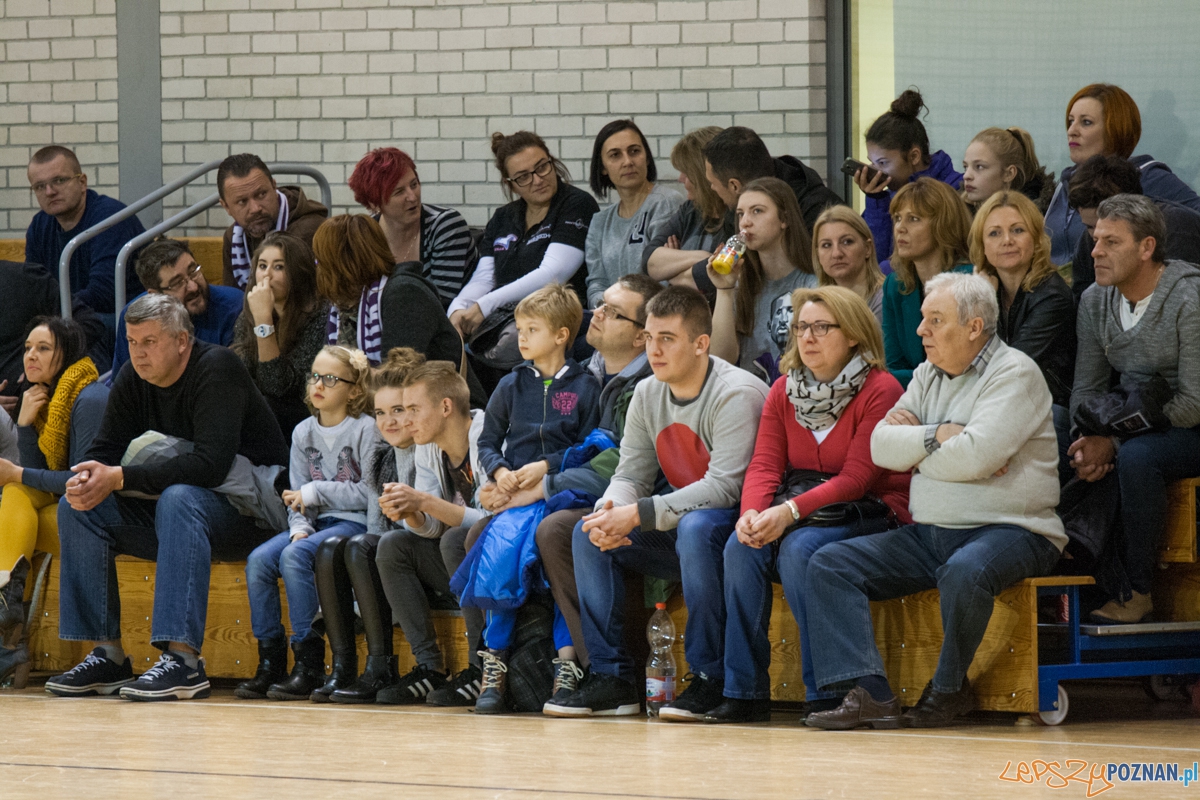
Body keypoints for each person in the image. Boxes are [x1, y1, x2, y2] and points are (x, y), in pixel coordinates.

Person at [805, 272, 1065, 731]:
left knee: (965, 571)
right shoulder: (927, 375)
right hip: (931, 532)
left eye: (935, 320)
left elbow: (978, 455)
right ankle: (871, 693)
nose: (921, 331)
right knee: (828, 564)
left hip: (1014, 530)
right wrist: (940, 437)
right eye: (923, 320)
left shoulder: (1016, 372)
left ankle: (948, 689)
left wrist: (920, 454)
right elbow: (880, 449)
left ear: (974, 327)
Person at [46, 294, 288, 701]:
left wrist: (119, 476)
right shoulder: (131, 377)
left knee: (179, 497)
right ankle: (107, 655)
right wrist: (87, 478)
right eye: (132, 342)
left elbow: (209, 466)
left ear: (182, 341)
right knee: (79, 506)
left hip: (252, 514)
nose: (138, 354)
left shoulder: (217, 368)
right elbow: (104, 452)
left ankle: (183, 663)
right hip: (182, 519)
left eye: (150, 342)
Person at [543, 286, 768, 720]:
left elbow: (725, 488)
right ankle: (613, 679)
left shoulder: (736, 393)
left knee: (698, 527)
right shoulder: (647, 393)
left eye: (667, 338)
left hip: (739, 528)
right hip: (679, 528)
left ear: (701, 344)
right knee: (589, 531)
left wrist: (640, 513)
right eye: (648, 337)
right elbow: (630, 474)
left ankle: (709, 677)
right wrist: (612, 509)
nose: (654, 349)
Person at [710, 287, 910, 723]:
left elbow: (857, 479)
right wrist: (752, 513)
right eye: (802, 327)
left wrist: (788, 513)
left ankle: (828, 690)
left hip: (874, 509)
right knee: (740, 546)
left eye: (822, 327)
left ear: (854, 334)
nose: (808, 337)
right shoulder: (783, 390)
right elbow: (764, 464)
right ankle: (743, 690)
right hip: (803, 509)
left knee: (804, 549)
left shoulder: (881, 388)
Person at [465, 284, 601, 713]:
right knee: (500, 558)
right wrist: (502, 472)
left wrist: (546, 467)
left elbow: (590, 445)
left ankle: (567, 666)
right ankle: (495, 662)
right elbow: (488, 442)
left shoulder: (585, 385)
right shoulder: (510, 384)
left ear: (562, 335)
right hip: (513, 499)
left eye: (531, 329)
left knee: (556, 557)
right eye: (519, 328)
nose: (520, 337)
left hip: (558, 493)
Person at [1068, 195, 1200, 624]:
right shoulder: (1094, 300)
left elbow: (1193, 404)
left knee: (1140, 457)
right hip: (1135, 417)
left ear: (1146, 247)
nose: (1095, 252)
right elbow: (1086, 389)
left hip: (1189, 423)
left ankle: (1138, 591)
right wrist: (1084, 441)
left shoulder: (1188, 297)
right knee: (1050, 429)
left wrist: (1117, 442)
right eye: (1094, 239)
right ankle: (1066, 571)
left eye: (1111, 242)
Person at [237, 346, 376, 701]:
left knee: (294, 558)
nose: (319, 385)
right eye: (315, 376)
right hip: (315, 523)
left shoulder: (365, 430)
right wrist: (299, 525)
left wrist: (314, 493)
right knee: (259, 561)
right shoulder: (302, 432)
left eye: (331, 379)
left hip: (352, 523)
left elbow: (367, 493)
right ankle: (270, 661)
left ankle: (309, 661)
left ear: (355, 389)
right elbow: (295, 494)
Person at [0, 317, 107, 688]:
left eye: (43, 348)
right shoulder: (44, 400)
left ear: (68, 353)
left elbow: (78, 482)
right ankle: (5, 611)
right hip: (69, 512)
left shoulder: (88, 399)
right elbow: (37, 476)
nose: (30, 356)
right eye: (28, 348)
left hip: (101, 522)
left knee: (15, 492)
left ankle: (6, 620)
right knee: (16, 496)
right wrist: (26, 425)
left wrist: (17, 473)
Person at [380, 360, 491, 706]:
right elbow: (430, 527)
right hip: (457, 559)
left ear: (445, 407)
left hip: (499, 558)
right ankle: (429, 667)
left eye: (414, 409)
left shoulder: (487, 434)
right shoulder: (428, 445)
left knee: (456, 538)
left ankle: (480, 667)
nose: (406, 419)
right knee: (394, 545)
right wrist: (411, 513)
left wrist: (424, 500)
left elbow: (492, 520)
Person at [447, 131, 600, 355]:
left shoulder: (577, 204)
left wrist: (485, 306)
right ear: (511, 185)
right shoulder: (503, 217)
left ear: (552, 161)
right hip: (506, 321)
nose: (537, 180)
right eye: (523, 177)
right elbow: (485, 277)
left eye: (542, 167)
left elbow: (552, 274)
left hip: (559, 325)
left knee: (505, 347)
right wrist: (458, 308)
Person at [313, 215, 486, 407]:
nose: (318, 269)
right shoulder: (342, 305)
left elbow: (395, 379)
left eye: (321, 261)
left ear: (342, 263)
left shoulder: (404, 294)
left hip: (446, 413)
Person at [1044, 84, 1200, 268]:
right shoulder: (1065, 184)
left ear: (1115, 129)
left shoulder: (1148, 176)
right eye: (1071, 121)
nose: (1072, 130)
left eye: (1086, 122)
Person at [969, 191, 1075, 408]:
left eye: (1018, 230)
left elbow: (1011, 369)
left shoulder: (1053, 297)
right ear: (982, 245)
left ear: (1036, 240)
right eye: (994, 233)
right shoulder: (987, 287)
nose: (1007, 241)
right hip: (1000, 401)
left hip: (1048, 406)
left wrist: (985, 304)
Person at [707, 177, 816, 382]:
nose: (745, 222)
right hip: (753, 399)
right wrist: (724, 289)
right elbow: (720, 359)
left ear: (784, 219)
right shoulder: (743, 284)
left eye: (757, 211)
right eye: (740, 214)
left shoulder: (813, 283)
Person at [230, 233, 331, 441]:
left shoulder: (320, 315)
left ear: (298, 272)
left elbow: (277, 386)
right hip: (263, 415)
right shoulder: (250, 311)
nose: (267, 276)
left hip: (303, 417)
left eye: (278, 267)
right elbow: (242, 373)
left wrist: (264, 320)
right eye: (262, 266)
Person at [24, 145, 145, 318]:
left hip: (123, 319)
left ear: (82, 182)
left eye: (59, 180)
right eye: (40, 186)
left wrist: (52, 309)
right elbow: (32, 286)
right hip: (73, 315)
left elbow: (104, 295)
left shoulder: (110, 218)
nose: (49, 192)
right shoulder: (39, 225)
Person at [348, 147, 475, 308]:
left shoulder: (445, 224)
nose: (412, 196)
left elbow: (440, 303)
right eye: (399, 192)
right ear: (374, 203)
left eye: (414, 184)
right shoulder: (366, 235)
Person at [1066, 154, 1200, 301]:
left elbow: (1181, 299)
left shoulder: (1177, 228)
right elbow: (1082, 301)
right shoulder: (1088, 241)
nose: (1095, 236)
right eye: (1089, 227)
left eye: (1110, 237)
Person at [880, 178, 974, 387]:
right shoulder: (895, 285)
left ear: (944, 224)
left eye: (913, 219)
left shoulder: (970, 282)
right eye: (897, 218)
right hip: (914, 398)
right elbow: (894, 367)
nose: (900, 228)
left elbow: (963, 370)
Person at [853, 90, 963, 262]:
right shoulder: (885, 197)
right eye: (872, 163)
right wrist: (876, 201)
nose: (877, 172)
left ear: (914, 156)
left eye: (883, 163)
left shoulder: (955, 189)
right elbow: (871, 260)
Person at [583, 119, 682, 308]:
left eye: (634, 151)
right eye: (615, 155)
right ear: (603, 167)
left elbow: (665, 280)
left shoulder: (666, 203)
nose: (627, 162)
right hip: (612, 318)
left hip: (654, 317)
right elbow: (596, 284)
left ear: (646, 156)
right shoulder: (600, 222)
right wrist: (608, 309)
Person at [111, 238, 244, 378]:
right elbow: (125, 383)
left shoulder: (233, 306)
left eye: (194, 271)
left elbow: (232, 379)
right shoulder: (135, 317)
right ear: (155, 295)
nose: (193, 286)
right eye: (177, 283)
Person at [218, 154, 329, 289]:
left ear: (274, 187)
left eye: (261, 194)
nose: (255, 209)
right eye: (242, 201)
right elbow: (234, 301)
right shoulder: (233, 237)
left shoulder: (309, 230)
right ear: (226, 207)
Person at [704, 126, 843, 234]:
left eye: (712, 182)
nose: (712, 188)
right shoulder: (734, 211)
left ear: (734, 186)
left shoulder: (820, 213)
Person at [643, 126, 726, 292]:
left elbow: (713, 276)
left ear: (703, 176)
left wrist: (671, 270)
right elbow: (649, 262)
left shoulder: (738, 215)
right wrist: (703, 257)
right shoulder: (690, 210)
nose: (680, 179)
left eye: (686, 173)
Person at [812, 205, 887, 321]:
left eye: (847, 242)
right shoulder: (814, 305)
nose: (836, 253)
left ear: (867, 248)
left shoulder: (885, 299)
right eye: (826, 245)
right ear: (818, 255)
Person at [961, 127, 1055, 213]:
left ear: (1009, 174)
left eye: (979, 167)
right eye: (965, 167)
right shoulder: (960, 216)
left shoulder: (1036, 222)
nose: (966, 176)